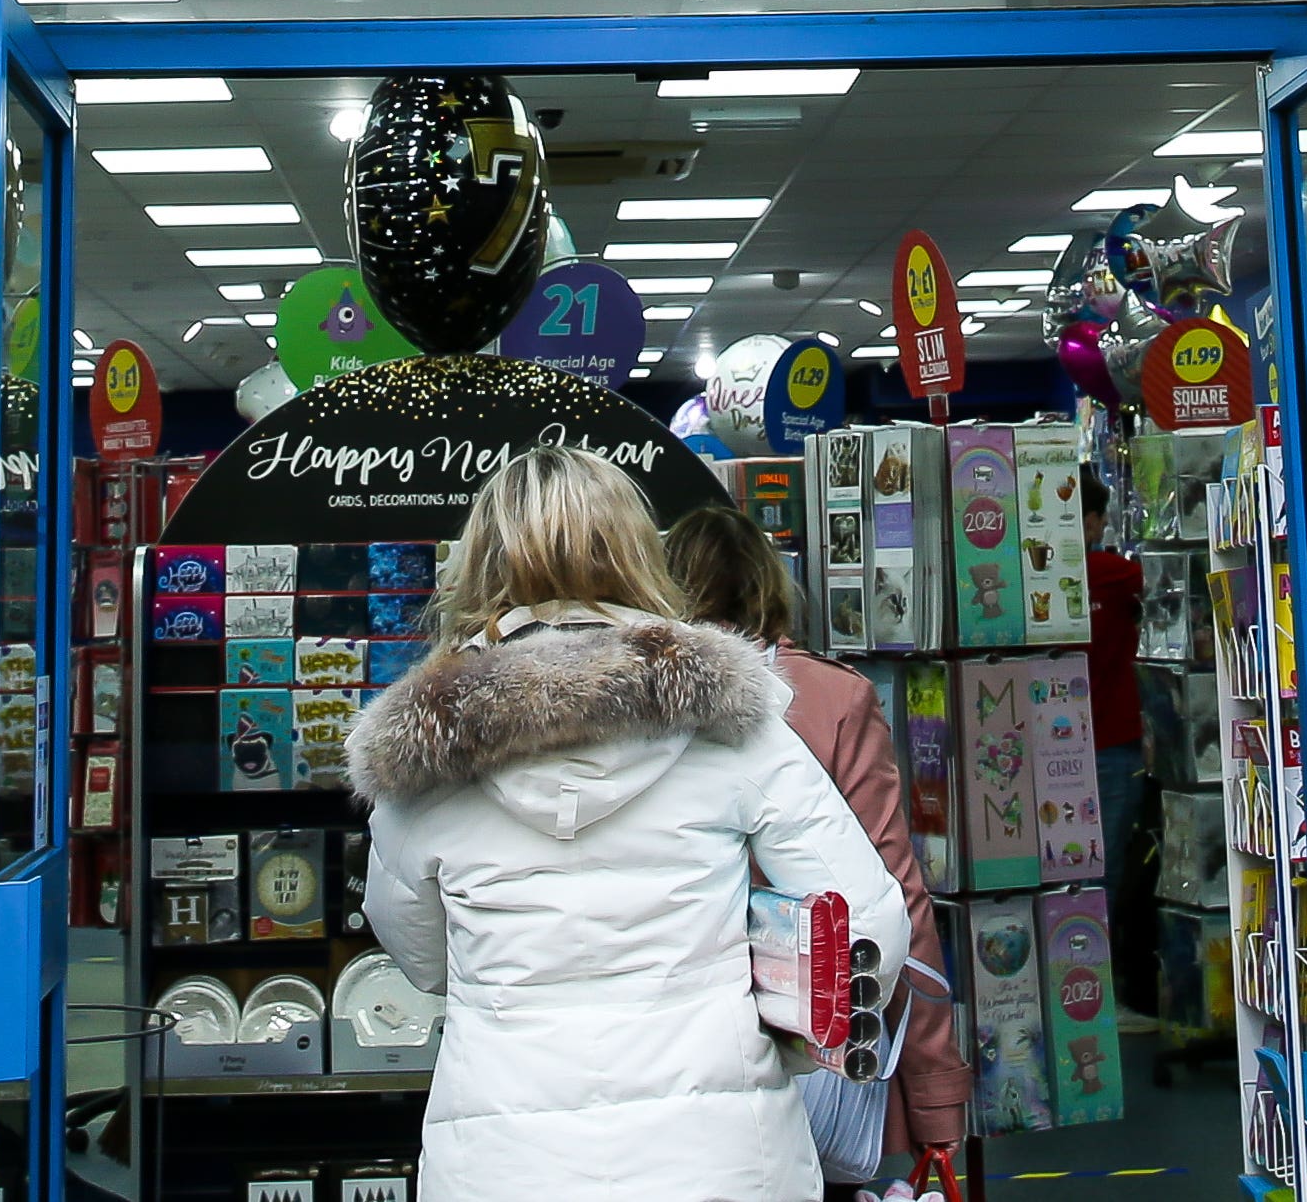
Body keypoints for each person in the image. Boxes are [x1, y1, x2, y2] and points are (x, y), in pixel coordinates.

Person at [348, 448, 904, 1202]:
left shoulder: (429, 750)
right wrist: (780, 1023)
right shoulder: (731, 720)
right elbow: (864, 921)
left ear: (477, 564)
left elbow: (417, 951)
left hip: (506, 1162)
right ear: (639, 551)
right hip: (718, 1159)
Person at [663, 501, 969, 1180]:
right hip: (814, 1037)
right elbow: (897, 896)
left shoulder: (632, 706)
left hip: (677, 1044)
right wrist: (934, 1091)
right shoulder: (832, 698)